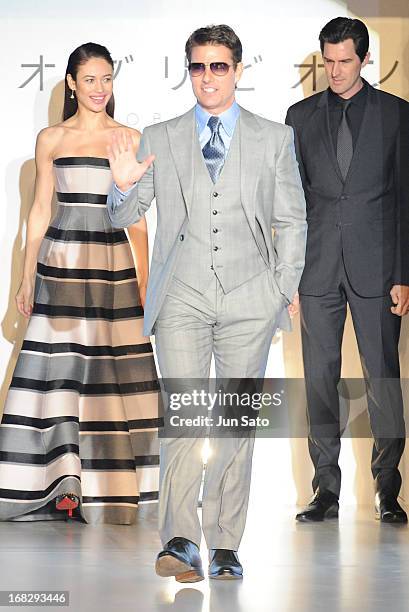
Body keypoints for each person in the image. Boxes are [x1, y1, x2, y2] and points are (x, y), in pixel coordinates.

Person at [107, 24, 306, 581]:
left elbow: (292, 220)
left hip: (250, 297)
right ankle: (180, 540)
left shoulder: (273, 138)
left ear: (238, 71)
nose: (209, 77)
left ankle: (224, 544)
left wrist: (278, 291)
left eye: (220, 66)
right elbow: (124, 216)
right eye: (199, 66)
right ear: (188, 72)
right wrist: (121, 188)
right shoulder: (161, 135)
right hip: (183, 299)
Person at [0, 43, 160, 524]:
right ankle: (62, 480)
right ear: (71, 82)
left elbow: (138, 222)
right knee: (60, 373)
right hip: (62, 264)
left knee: (110, 374)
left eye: (106, 79)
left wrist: (146, 284)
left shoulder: (130, 137)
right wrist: (27, 277)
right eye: (89, 79)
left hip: (112, 268)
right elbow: (40, 211)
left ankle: (112, 487)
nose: (99, 88)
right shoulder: (51, 138)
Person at [286, 17, 409, 523]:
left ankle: (387, 489)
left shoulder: (397, 115)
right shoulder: (298, 116)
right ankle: (325, 491)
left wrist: (404, 272)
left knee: (383, 378)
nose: (335, 71)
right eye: (328, 61)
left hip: (379, 268)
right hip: (315, 271)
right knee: (319, 380)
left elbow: (404, 199)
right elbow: (291, 204)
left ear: (363, 60)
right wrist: (287, 274)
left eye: (345, 61)